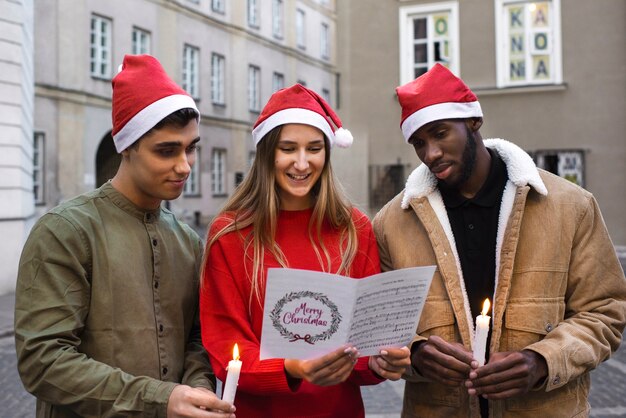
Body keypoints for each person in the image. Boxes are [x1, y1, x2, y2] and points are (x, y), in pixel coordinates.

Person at [372, 63, 626, 418]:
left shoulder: (571, 206)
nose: (430, 153)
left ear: (474, 121)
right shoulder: (391, 224)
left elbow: (605, 312)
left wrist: (542, 361)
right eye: (419, 143)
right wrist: (414, 353)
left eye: (440, 133)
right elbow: (380, 326)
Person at [14, 54, 234, 418]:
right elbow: (43, 361)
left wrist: (197, 390)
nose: (184, 166)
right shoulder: (66, 231)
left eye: (191, 147)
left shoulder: (190, 242)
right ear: (126, 146)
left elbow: (197, 340)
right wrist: (160, 399)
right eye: (167, 151)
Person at [199, 84, 411, 417]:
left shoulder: (354, 228)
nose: (302, 163)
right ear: (268, 153)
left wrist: (381, 361)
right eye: (288, 148)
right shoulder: (230, 234)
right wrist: (293, 368)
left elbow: (364, 348)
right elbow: (226, 350)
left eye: (314, 148)